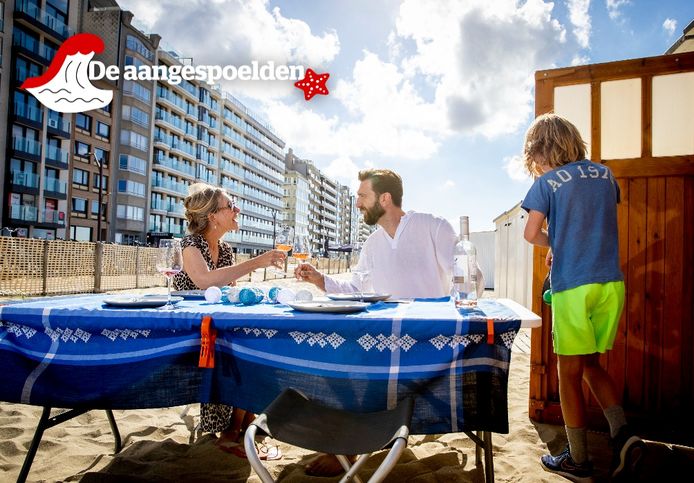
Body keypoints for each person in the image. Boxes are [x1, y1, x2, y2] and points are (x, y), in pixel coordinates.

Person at [294, 168, 483, 476]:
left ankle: (346, 447)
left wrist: (441, 319)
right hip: (386, 341)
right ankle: (346, 444)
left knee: (350, 361)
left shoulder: (431, 226)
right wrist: (319, 279)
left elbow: (470, 280)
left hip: (428, 345)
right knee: (332, 357)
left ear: (385, 198)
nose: (357, 204)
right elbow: (356, 290)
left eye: (362, 196)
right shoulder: (372, 244)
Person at [521, 113, 645, 481]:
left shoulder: (546, 182)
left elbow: (530, 233)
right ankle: (624, 434)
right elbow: (593, 221)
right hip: (609, 285)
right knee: (591, 364)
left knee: (568, 374)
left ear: (539, 153)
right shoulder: (605, 175)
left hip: (573, 287)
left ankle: (578, 460)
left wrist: (553, 242)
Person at [173, 183, 286, 458]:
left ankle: (244, 425)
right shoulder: (190, 245)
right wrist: (256, 263)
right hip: (188, 331)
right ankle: (232, 433)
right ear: (213, 216)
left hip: (213, 327)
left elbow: (229, 295)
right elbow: (203, 281)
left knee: (255, 345)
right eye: (231, 206)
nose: (237, 210)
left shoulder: (224, 250)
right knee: (236, 350)